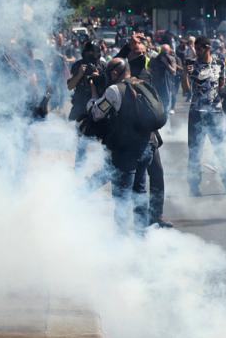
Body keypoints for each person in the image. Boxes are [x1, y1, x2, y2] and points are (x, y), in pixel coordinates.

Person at [86, 58, 157, 233]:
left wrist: (93, 94)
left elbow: (96, 113)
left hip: (126, 151)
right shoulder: (144, 84)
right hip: (147, 146)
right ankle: (142, 236)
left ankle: (121, 240)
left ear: (115, 73)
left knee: (122, 197)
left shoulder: (114, 90)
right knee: (140, 194)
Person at [183, 36, 226, 196]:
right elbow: (186, 89)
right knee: (195, 150)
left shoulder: (220, 63)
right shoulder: (191, 64)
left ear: (207, 48)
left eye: (199, 49)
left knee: (221, 149)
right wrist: (185, 73)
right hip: (196, 112)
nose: (196, 52)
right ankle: (194, 186)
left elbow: (223, 88)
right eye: (195, 49)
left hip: (215, 112)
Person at [68, 40, 106, 171]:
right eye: (89, 52)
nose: (91, 55)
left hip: (98, 108)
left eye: (93, 52)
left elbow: (108, 87)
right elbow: (70, 86)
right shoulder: (78, 65)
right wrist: (79, 74)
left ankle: (104, 167)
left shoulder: (103, 65)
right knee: (82, 141)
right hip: (81, 109)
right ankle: (79, 168)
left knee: (103, 140)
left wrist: (99, 77)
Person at [149, 44, 177, 118]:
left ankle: (165, 121)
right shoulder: (155, 58)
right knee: (155, 102)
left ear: (169, 51)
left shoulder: (171, 59)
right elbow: (149, 69)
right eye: (163, 51)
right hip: (156, 83)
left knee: (165, 104)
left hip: (166, 84)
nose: (164, 53)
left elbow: (174, 72)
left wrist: (166, 63)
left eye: (166, 51)